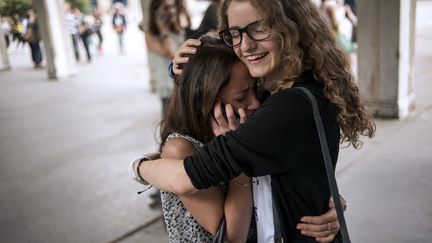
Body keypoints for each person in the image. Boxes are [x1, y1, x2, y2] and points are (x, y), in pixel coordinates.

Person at [137, 0, 375, 242]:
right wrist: (185, 72)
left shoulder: (287, 107)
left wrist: (138, 167)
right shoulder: (274, 89)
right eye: (235, 33)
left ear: (290, 26)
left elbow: (186, 178)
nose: (246, 45)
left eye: (260, 28)